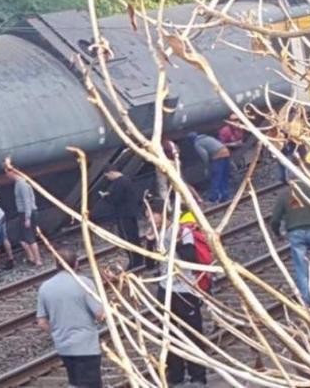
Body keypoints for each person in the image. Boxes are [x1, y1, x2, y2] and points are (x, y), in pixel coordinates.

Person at [148, 198, 207, 386]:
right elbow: (150, 265)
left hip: (185, 289)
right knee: (168, 333)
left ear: (161, 213)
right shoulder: (158, 233)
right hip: (165, 288)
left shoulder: (183, 230)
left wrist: (177, 243)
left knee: (192, 332)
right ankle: (176, 375)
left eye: (151, 214)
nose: (149, 219)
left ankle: (197, 376)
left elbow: (191, 258)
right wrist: (150, 243)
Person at [36, 249, 105, 388]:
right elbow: (100, 314)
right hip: (86, 346)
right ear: (76, 263)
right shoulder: (84, 283)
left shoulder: (45, 287)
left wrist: (56, 331)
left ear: (56, 265)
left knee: (74, 382)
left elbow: (42, 322)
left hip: (63, 346)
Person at [270, 186, 310, 307]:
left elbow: (274, 219)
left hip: (295, 233)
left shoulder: (284, 194)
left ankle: (307, 300)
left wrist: (277, 233)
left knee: (301, 266)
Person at [99, 166, 143, 269]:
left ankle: (134, 261)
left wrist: (106, 197)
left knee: (127, 238)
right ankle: (139, 258)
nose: (108, 179)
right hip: (131, 213)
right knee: (134, 237)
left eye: (107, 176)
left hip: (123, 214)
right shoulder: (127, 180)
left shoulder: (119, 183)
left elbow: (116, 200)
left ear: (111, 173)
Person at [7, 168, 43, 266]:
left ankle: (38, 260)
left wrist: (27, 217)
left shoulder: (22, 185)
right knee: (23, 238)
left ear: (12, 172)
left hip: (28, 213)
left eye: (7, 173)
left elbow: (27, 201)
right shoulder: (18, 184)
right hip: (24, 213)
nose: (7, 175)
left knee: (30, 237)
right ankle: (31, 258)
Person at [188, 132, 231, 203]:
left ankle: (213, 197)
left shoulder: (197, 143)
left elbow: (204, 155)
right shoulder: (207, 137)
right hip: (226, 152)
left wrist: (207, 166)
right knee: (224, 176)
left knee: (216, 177)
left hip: (217, 156)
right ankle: (225, 195)